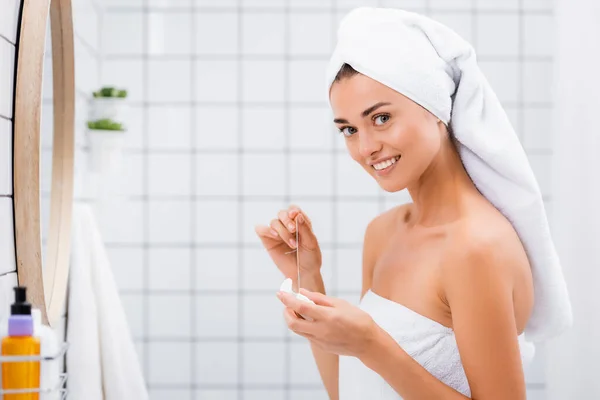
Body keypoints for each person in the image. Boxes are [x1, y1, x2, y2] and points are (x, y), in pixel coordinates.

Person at [255, 7, 571, 400]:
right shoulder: (383, 233)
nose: (366, 147)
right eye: (350, 129)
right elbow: (352, 390)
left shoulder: (475, 249)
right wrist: (309, 277)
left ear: (435, 107)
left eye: (382, 118)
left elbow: (375, 354)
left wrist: (373, 344)